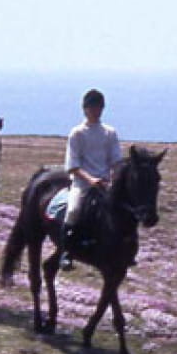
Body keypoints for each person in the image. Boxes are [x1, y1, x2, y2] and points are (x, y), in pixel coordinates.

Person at [59, 88, 121, 270]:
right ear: (85, 109)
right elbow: (73, 165)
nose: (96, 111)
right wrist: (91, 179)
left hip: (104, 183)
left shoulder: (110, 133)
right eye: (92, 107)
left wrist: (113, 180)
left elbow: (116, 161)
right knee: (73, 210)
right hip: (82, 183)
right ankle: (66, 252)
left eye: (99, 107)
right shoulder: (77, 133)